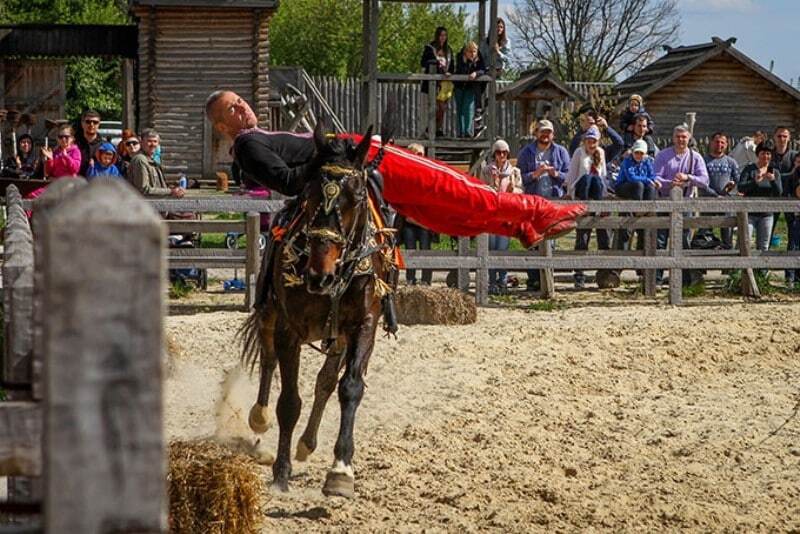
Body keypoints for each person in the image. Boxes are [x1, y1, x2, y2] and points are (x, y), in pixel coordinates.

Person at [205, 90, 585, 259]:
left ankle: (518, 227)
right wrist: (332, 155)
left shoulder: (255, 139)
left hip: (357, 168)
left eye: (240, 102)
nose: (243, 108)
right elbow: (287, 183)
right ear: (223, 127)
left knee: (437, 214)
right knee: (455, 186)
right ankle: (540, 210)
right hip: (362, 158)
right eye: (233, 110)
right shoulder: (249, 145)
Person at [517, 119, 572, 290]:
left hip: (553, 202)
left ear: (553, 134)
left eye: (548, 132)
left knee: (551, 242)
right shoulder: (527, 152)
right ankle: (534, 279)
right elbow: (519, 177)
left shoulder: (561, 152)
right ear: (536, 133)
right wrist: (535, 174)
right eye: (542, 131)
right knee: (532, 240)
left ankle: (548, 280)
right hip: (533, 202)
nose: (545, 135)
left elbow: (569, 176)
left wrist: (555, 173)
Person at [653, 124, 709, 284]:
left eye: (684, 137)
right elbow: (656, 178)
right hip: (665, 202)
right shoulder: (663, 156)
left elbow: (705, 180)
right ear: (673, 138)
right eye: (678, 136)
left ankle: (683, 280)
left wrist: (688, 178)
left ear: (689, 138)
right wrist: (671, 183)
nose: (680, 140)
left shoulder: (695, 157)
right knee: (660, 241)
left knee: (683, 241)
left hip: (685, 204)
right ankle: (656, 279)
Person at [565, 126, 607, 288]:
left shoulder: (601, 153)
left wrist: (604, 199)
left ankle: (604, 273)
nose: (591, 143)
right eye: (589, 140)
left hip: (596, 192)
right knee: (588, 178)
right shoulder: (579, 152)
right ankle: (579, 275)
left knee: (596, 180)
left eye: (594, 140)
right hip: (581, 188)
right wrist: (569, 192)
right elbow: (572, 174)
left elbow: (603, 176)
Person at [480, 139, 522, 293]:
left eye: (504, 152)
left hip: (506, 214)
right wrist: (493, 185)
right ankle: (491, 282)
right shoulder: (486, 171)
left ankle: (503, 281)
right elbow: (482, 191)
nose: (502, 155)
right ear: (494, 154)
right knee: (491, 248)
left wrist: (513, 190)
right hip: (491, 214)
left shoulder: (514, 172)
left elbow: (521, 191)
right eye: (498, 152)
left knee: (503, 248)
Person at [738, 140, 782, 256]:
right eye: (763, 153)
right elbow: (741, 188)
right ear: (758, 154)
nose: (766, 156)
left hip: (767, 214)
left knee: (763, 245)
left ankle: (762, 271)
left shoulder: (775, 172)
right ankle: (743, 269)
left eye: (768, 153)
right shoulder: (750, 169)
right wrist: (754, 182)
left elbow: (779, 193)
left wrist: (773, 181)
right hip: (750, 213)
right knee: (744, 242)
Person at [400, 143, 434, 286]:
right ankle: (410, 279)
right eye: (417, 154)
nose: (420, 157)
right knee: (410, 249)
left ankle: (426, 280)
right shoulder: (405, 173)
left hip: (423, 219)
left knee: (426, 250)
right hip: (410, 219)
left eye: (421, 154)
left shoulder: (427, 172)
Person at [615, 140, 659, 252]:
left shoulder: (647, 161)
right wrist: (649, 180)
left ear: (645, 154)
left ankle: (648, 209)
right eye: (637, 153)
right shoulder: (627, 161)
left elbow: (652, 174)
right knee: (639, 185)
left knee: (650, 187)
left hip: (641, 189)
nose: (639, 155)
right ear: (633, 152)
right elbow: (631, 177)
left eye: (641, 153)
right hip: (624, 187)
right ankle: (638, 208)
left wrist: (654, 181)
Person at [698, 132, 739, 248]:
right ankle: (703, 261)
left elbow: (738, 180)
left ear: (726, 144)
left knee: (727, 232)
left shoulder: (731, 162)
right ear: (711, 143)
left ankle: (727, 261)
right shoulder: (703, 161)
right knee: (705, 233)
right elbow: (701, 182)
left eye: (722, 142)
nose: (719, 145)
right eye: (717, 142)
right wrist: (715, 195)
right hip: (707, 200)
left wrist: (733, 185)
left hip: (726, 201)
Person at [771, 127, 798, 284]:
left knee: (793, 238)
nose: (782, 139)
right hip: (771, 200)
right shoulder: (769, 155)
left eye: (785, 136)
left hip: (791, 200)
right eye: (779, 136)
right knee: (766, 237)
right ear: (774, 137)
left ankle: (790, 276)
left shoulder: (794, 156)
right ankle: (762, 272)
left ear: (789, 138)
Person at [127, 129, 184, 198]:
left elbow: (156, 186)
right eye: (149, 141)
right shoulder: (140, 160)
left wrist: (174, 189)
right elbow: (143, 190)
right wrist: (171, 191)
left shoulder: (152, 161)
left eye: (155, 141)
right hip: (142, 206)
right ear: (141, 142)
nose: (152, 144)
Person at [420, 26, 455, 137]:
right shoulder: (430, 48)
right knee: (434, 107)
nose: (442, 38)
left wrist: (449, 72)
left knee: (442, 108)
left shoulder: (448, 50)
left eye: (444, 35)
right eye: (441, 35)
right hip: (432, 83)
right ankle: (429, 129)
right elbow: (423, 62)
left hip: (445, 83)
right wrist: (436, 61)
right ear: (437, 36)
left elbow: (452, 66)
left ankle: (438, 129)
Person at [453, 41, 485, 138]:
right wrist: (465, 61)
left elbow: (483, 70)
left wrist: (476, 73)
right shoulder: (460, 58)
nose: (472, 54)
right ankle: (460, 132)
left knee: (468, 108)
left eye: (474, 51)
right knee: (460, 110)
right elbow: (459, 70)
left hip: (470, 87)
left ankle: (468, 132)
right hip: (459, 86)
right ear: (465, 52)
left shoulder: (479, 59)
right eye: (470, 51)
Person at [75, 109, 102, 177]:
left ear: (99, 124)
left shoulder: (105, 146)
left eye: (95, 122)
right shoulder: (74, 145)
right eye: (88, 121)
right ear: (82, 123)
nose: (91, 124)